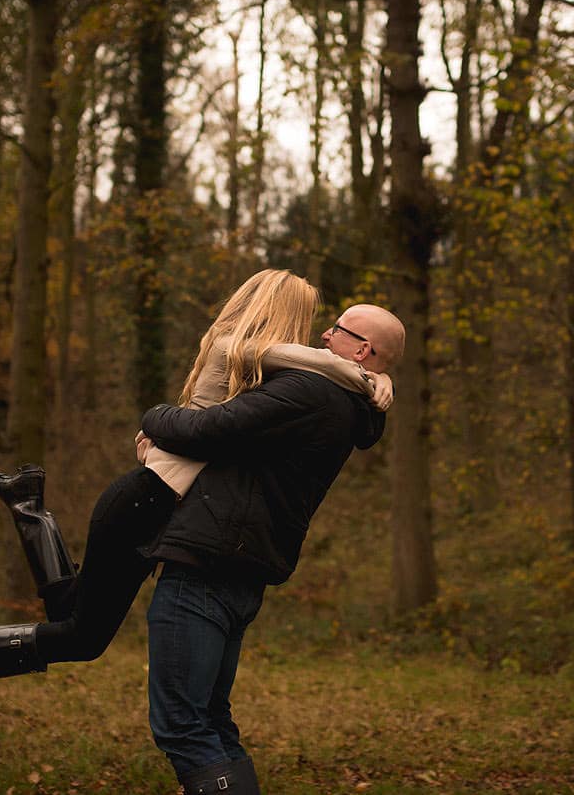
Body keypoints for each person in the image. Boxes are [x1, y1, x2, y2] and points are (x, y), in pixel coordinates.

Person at [0, 269, 392, 731]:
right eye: (308, 321)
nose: (317, 335)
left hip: (149, 500)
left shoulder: (258, 359)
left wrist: (376, 376)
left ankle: (25, 515)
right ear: (282, 313)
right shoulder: (239, 346)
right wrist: (371, 377)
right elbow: (321, 366)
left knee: (72, 621)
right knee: (81, 637)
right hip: (146, 503)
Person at [136, 300, 404, 795]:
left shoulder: (311, 391)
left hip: (209, 562)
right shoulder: (350, 406)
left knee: (184, 726)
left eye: (338, 330)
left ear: (363, 349)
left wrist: (154, 416)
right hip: (241, 567)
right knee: (212, 719)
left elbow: (204, 429)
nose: (325, 336)